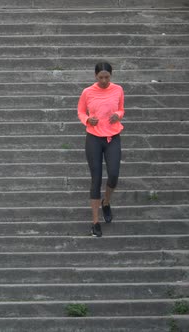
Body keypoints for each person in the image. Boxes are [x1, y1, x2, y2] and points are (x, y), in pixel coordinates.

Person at [77, 62, 125, 237]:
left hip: (113, 137)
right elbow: (81, 112)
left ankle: (106, 201)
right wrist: (88, 120)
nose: (104, 81)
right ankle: (95, 222)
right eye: (100, 78)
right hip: (94, 138)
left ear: (111, 76)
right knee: (96, 178)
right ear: (95, 76)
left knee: (113, 174)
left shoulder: (118, 89)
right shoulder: (87, 92)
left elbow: (121, 109)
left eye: (107, 77)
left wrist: (118, 115)